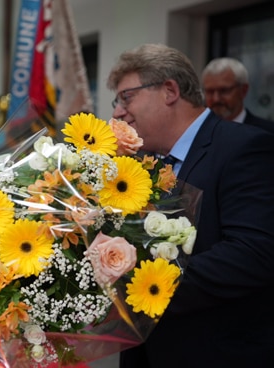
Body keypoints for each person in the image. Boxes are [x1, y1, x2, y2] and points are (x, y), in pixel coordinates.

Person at [107, 43, 274, 368]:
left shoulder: (245, 147)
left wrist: (143, 284)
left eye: (127, 97)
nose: (117, 112)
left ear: (169, 90)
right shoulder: (142, 164)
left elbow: (253, 252)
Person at [201, 57, 274, 133]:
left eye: (224, 91)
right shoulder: (198, 131)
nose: (216, 99)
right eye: (210, 91)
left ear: (243, 90)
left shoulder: (266, 132)